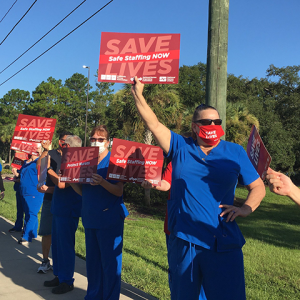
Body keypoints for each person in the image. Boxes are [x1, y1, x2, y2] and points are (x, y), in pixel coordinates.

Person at [131, 77, 266, 300]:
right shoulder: (180, 146)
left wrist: (247, 208)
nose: (213, 127)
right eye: (206, 123)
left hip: (223, 241)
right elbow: (153, 124)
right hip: (185, 241)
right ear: (195, 126)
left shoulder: (235, 152)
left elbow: (258, 186)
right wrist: (138, 94)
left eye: (217, 122)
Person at [71, 125, 128, 300]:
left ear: (108, 142)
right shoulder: (86, 161)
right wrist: (70, 178)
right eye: (93, 139)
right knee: (93, 264)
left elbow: (119, 191)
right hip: (90, 217)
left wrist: (103, 182)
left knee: (110, 264)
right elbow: (83, 192)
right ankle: (93, 296)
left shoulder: (115, 160)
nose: (96, 142)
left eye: (101, 139)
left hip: (109, 218)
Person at [43, 135, 83, 294]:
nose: (61, 147)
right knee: (57, 245)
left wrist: (49, 169)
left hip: (68, 209)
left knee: (65, 246)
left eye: (63, 145)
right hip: (58, 207)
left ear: (68, 146)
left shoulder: (77, 162)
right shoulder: (67, 161)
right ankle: (59, 275)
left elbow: (62, 183)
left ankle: (67, 280)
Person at [36, 132, 72, 273]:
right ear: (59, 142)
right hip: (50, 199)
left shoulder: (74, 157)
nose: (67, 144)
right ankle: (45, 261)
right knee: (47, 232)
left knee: (62, 236)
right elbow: (39, 166)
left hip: (65, 199)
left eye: (70, 142)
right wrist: (45, 151)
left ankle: (61, 266)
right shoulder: (50, 153)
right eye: (65, 141)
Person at [18, 144, 44, 244]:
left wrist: (41, 151)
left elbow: (42, 161)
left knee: (32, 214)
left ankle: (26, 236)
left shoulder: (39, 161)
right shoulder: (26, 162)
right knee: (29, 214)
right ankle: (32, 233)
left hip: (34, 192)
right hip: (24, 191)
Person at [8, 167, 24, 232]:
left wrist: (18, 176)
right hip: (18, 188)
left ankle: (28, 230)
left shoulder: (32, 163)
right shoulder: (18, 163)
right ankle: (18, 226)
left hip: (27, 190)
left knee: (28, 211)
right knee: (19, 209)